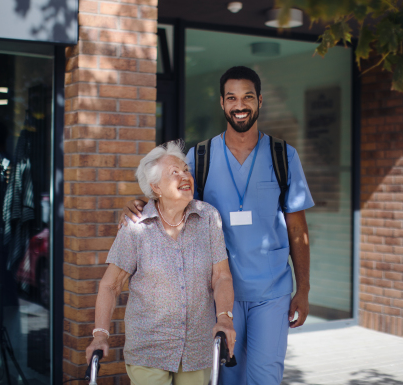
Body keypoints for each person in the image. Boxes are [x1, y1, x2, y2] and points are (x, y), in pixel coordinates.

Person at [120, 66, 314, 384]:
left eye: (248, 97)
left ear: (260, 101)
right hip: (220, 293)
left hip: (271, 291)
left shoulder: (284, 156)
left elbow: (298, 230)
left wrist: (303, 289)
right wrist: (140, 204)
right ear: (222, 104)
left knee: (265, 377)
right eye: (232, 98)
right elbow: (174, 198)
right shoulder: (202, 156)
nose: (240, 105)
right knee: (226, 377)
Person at [87, 140, 235, 385]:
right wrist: (100, 334)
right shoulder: (135, 227)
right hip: (149, 349)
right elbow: (110, 286)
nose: (185, 176)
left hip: (197, 350)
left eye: (185, 169)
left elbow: (221, 276)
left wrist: (224, 317)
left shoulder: (209, 217)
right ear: (156, 187)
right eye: (174, 173)